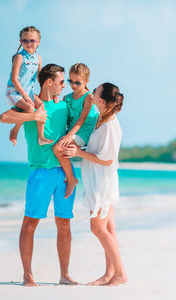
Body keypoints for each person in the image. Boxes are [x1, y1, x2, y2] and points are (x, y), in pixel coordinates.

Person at [0, 64, 77, 287]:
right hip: (40, 173)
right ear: (48, 82)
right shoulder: (30, 103)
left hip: (64, 173)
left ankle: (64, 275)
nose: (65, 86)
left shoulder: (65, 106)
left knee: (64, 223)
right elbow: (4, 117)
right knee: (30, 223)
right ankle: (27, 276)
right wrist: (33, 115)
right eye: (62, 82)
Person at [64, 83, 128, 286]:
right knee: (109, 228)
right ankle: (110, 273)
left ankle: (120, 273)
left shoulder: (110, 126)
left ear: (101, 100)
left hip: (103, 183)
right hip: (98, 180)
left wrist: (79, 153)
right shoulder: (102, 119)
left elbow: (108, 159)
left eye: (95, 92)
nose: (91, 94)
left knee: (97, 227)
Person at [53, 63, 98, 198]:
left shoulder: (89, 97)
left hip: (83, 130)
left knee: (58, 148)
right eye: (70, 81)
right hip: (72, 130)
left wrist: (69, 136)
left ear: (86, 81)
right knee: (55, 146)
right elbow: (65, 119)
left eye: (77, 83)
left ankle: (72, 179)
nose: (73, 85)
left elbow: (82, 119)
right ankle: (66, 176)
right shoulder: (67, 98)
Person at [6, 26, 53, 146]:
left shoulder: (38, 59)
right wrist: (25, 96)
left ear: (38, 42)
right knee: (30, 108)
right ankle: (15, 130)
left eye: (32, 40)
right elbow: (14, 79)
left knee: (41, 105)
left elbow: (39, 79)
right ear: (20, 42)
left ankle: (41, 137)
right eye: (24, 40)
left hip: (28, 92)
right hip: (14, 92)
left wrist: (50, 95)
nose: (28, 43)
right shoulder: (19, 57)